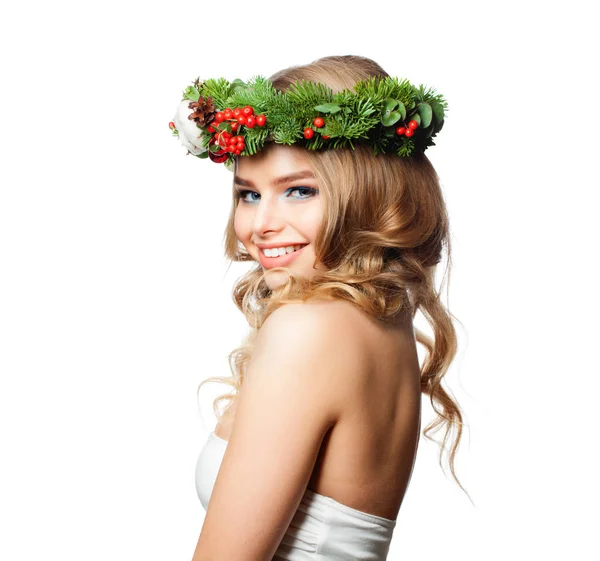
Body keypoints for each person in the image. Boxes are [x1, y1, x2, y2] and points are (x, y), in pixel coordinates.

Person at [170, 55, 468, 561]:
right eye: (248, 194)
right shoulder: (381, 322)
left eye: (299, 190)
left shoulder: (307, 330)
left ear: (367, 193)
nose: (260, 223)